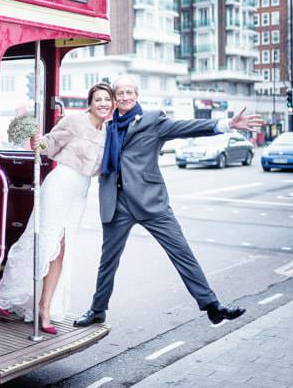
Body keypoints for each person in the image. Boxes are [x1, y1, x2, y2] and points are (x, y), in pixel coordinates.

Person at [74, 76, 263, 327]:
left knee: (181, 252)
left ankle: (212, 306)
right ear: (114, 98)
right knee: (108, 261)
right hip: (116, 202)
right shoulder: (107, 126)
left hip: (151, 201)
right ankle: (97, 310)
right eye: (120, 93)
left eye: (129, 92)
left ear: (137, 95)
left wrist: (226, 124)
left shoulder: (153, 120)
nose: (125, 97)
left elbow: (188, 127)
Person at [0, 83, 114, 334]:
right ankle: (6, 295)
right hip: (61, 183)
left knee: (63, 251)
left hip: (81, 192)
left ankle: (44, 307)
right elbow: (48, 146)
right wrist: (36, 141)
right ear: (90, 102)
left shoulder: (109, 131)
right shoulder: (74, 121)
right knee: (44, 242)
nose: (103, 103)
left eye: (107, 99)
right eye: (98, 99)